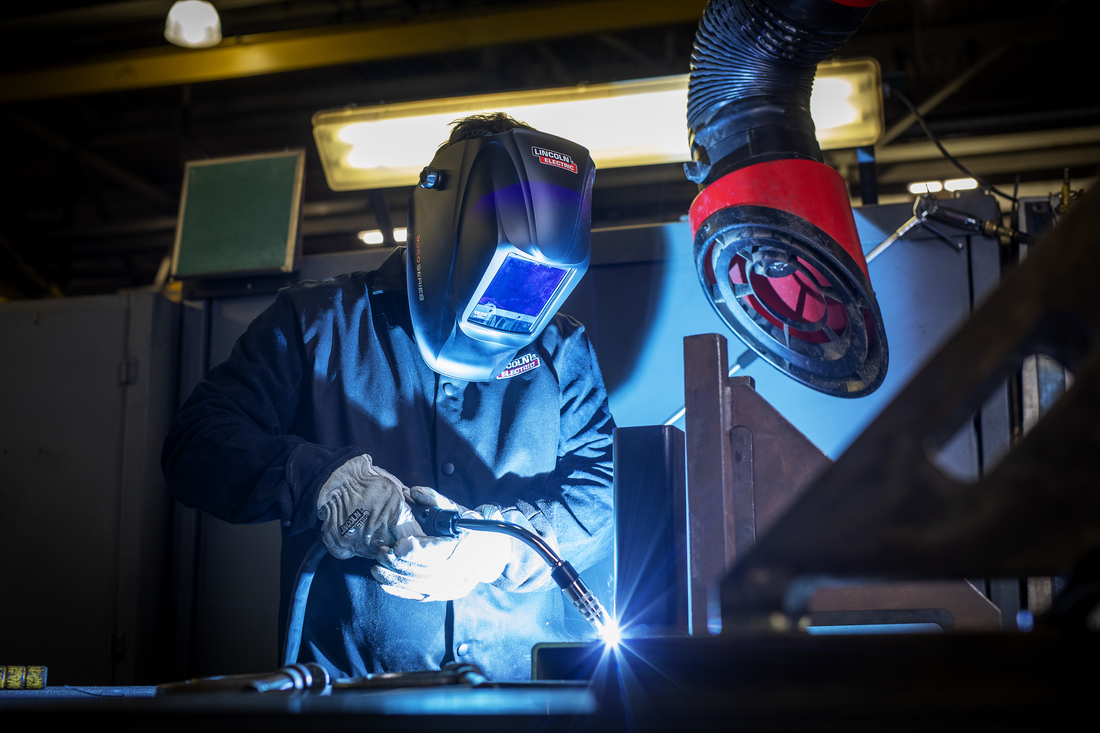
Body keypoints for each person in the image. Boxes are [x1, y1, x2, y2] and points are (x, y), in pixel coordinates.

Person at [161, 113, 615, 682]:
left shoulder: (561, 349)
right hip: (353, 699)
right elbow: (195, 444)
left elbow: (601, 499)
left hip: (521, 694)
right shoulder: (316, 325)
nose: (512, 304)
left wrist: (493, 548)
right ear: (443, 229)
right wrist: (320, 481)